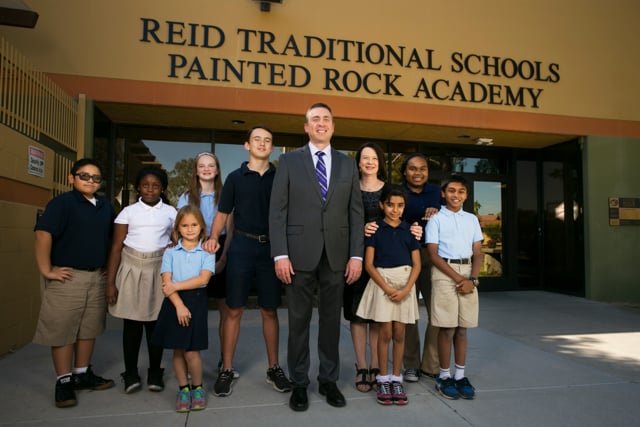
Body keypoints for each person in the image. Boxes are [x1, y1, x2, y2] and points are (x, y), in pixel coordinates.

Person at [269, 102, 364, 412]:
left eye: (326, 119)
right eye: (315, 119)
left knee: (331, 322)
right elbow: (277, 211)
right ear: (306, 127)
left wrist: (356, 256)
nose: (321, 123)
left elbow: (355, 214)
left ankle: (328, 380)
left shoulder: (348, 165)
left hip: (337, 255)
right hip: (297, 255)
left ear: (333, 127)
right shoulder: (288, 161)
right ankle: (299, 383)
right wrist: (280, 254)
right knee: (298, 322)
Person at [206, 125, 291, 397]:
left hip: (271, 250)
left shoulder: (281, 177)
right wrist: (213, 239)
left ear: (272, 147)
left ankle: (274, 368)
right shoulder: (234, 178)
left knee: (270, 310)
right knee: (234, 309)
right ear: (247, 145)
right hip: (242, 246)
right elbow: (222, 214)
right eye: (257, 139)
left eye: (267, 140)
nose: (262, 143)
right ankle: (227, 369)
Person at [33, 158, 115, 408]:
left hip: (96, 276)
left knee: (89, 328)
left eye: (96, 177)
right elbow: (43, 233)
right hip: (69, 277)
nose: (90, 181)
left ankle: (81, 373)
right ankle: (64, 381)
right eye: (84, 176)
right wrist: (47, 269)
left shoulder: (105, 206)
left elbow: (112, 239)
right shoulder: (62, 203)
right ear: (72, 178)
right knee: (63, 330)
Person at [345, 143, 423, 393]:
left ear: (380, 163)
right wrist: (360, 230)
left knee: (380, 316)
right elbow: (340, 220)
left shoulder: (389, 190)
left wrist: (416, 229)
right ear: (358, 162)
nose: (369, 162)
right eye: (365, 158)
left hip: (386, 258)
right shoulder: (349, 187)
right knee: (357, 314)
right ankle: (362, 366)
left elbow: (402, 217)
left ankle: (378, 367)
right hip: (357, 255)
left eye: (374, 158)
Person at [105, 166, 177, 394]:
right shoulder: (128, 212)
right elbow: (116, 247)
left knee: (155, 323)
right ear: (138, 187)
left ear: (162, 188)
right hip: (131, 266)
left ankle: (155, 371)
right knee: (132, 324)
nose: (150, 189)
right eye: (145, 185)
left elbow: (180, 238)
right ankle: (131, 373)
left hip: (159, 268)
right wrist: (110, 283)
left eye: (155, 186)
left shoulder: (171, 212)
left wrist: (174, 245)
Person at [356, 185, 421, 405]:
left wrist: (406, 289)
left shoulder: (409, 230)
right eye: (390, 205)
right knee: (385, 333)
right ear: (382, 205)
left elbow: (417, 265)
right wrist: (387, 288)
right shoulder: (376, 230)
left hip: (405, 285)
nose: (395, 209)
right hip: (383, 284)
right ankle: (383, 379)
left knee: (400, 333)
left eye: (400, 205)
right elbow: (369, 264)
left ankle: (396, 378)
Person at [176, 151, 236, 378]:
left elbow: (230, 231)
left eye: (211, 165)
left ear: (217, 169)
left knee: (226, 310)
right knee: (190, 310)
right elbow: (181, 230)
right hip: (194, 252)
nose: (207, 169)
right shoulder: (186, 197)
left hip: (220, 250)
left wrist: (222, 260)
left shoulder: (226, 195)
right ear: (196, 170)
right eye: (202, 165)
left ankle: (225, 362)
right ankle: (190, 363)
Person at [151, 205, 215, 412]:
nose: (189, 229)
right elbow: (166, 283)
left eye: (194, 225)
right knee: (178, 350)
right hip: (174, 303)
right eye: (185, 225)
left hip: (196, 302)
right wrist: (178, 305)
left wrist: (176, 286)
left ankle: (197, 388)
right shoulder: (170, 252)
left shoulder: (206, 251)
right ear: (178, 228)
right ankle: (183, 389)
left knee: (192, 351)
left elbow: (203, 279)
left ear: (201, 226)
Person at [425, 174, 483, 400]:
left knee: (462, 328)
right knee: (447, 328)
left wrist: (472, 279)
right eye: (451, 191)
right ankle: (444, 376)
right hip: (444, 272)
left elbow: (478, 252)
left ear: (466, 195)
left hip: (468, 272)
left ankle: (460, 376)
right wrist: (459, 279)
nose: (456, 195)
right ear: (443, 193)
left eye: (461, 191)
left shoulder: (472, 219)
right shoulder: (437, 219)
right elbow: (433, 254)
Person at [400, 153, 442, 382]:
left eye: (422, 168)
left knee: (437, 311)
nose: (418, 173)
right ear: (405, 171)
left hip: (432, 254)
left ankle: (430, 364)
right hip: (406, 255)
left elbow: (450, 216)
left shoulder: (437, 192)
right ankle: (411, 364)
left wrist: (438, 213)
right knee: (409, 313)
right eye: (413, 168)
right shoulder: (398, 192)